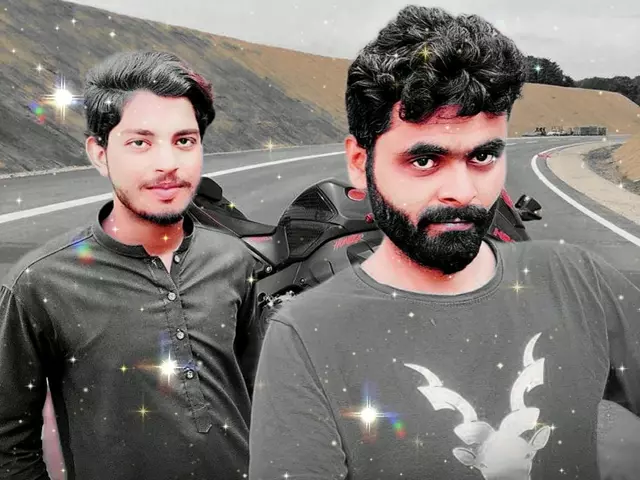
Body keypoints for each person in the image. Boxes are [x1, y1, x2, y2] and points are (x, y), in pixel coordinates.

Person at [249, 6, 640, 479]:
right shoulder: (304, 336)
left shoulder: (580, 281)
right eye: (424, 161)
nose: (462, 191)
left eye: (483, 156)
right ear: (359, 161)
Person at [0, 50, 264, 479]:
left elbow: (259, 393)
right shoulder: (39, 284)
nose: (168, 163)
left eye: (184, 141)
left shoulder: (232, 258)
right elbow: (9, 442)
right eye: (140, 142)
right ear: (99, 153)